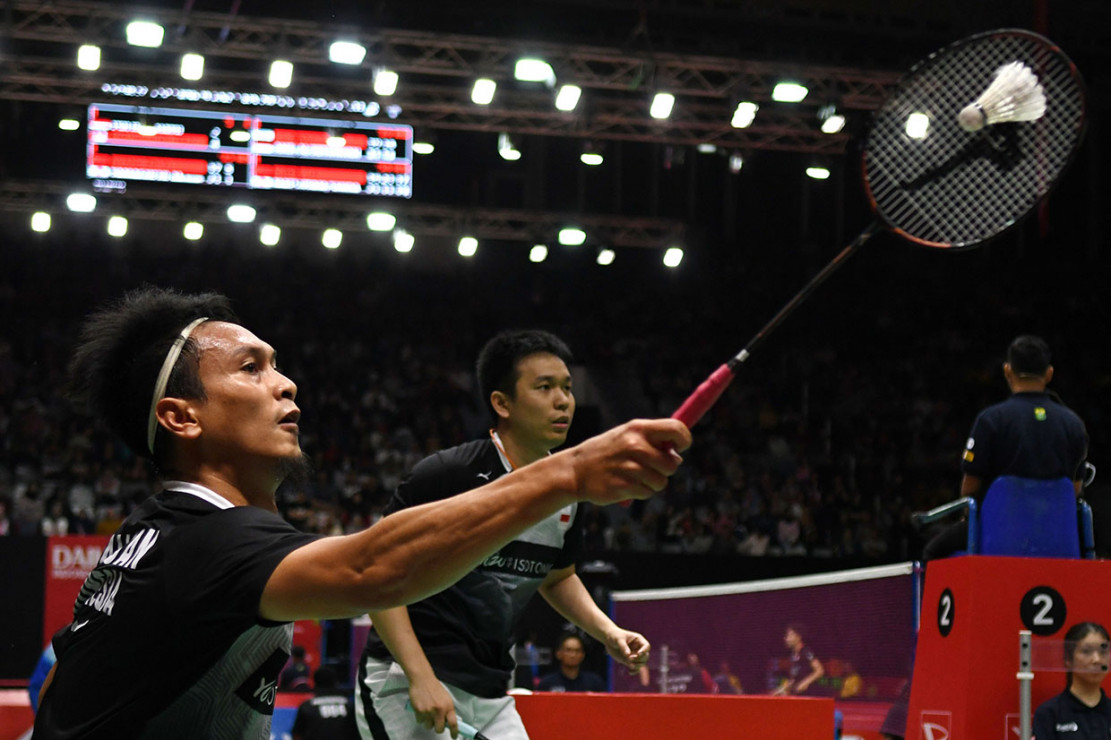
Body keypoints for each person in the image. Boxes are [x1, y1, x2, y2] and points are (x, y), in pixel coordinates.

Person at [32, 289, 691, 740]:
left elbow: (67, 673)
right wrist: (569, 472)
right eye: (250, 368)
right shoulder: (208, 540)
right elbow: (375, 567)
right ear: (181, 416)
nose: (285, 383)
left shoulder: (155, 535)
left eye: (278, 366)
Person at [356, 330, 655, 740]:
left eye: (567, 387)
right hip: (409, 681)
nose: (562, 400)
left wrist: (609, 633)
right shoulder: (447, 475)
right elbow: (378, 576)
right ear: (502, 403)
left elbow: (558, 576)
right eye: (544, 387)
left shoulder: (567, 492)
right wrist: (420, 676)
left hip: (493, 692)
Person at [923, 334, 1089, 560]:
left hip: (999, 533)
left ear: (1007, 371)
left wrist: (967, 516)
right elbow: (1075, 489)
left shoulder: (991, 420)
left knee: (933, 550)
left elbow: (970, 487)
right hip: (1058, 537)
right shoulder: (1074, 425)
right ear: (1049, 373)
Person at [1033, 621, 1111, 739]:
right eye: (1087, 651)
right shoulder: (1049, 714)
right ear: (1068, 660)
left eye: (1103, 651)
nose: (1097, 659)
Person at [291, 666, 360, 740]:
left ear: (315, 683)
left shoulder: (307, 707)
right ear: (336, 682)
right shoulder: (350, 706)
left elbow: (297, 735)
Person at [536, 634, 606, 692]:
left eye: (577, 651)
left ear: (582, 655)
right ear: (558, 654)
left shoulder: (594, 683)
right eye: (568, 650)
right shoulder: (547, 683)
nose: (573, 655)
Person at [771, 624, 824, 696]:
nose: (786, 639)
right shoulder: (793, 656)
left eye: (790, 635)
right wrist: (781, 690)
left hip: (812, 695)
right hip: (800, 695)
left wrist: (804, 683)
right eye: (786, 636)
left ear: (798, 637)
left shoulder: (806, 652)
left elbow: (820, 670)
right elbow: (793, 680)